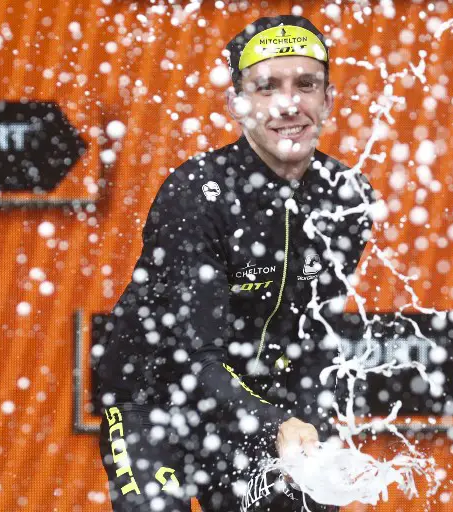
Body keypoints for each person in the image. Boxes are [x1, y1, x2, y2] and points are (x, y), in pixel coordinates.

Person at [94, 14, 374, 511]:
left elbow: (315, 339)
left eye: (305, 84)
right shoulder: (196, 195)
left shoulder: (347, 197)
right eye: (267, 87)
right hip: (153, 396)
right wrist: (274, 424)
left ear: (328, 99)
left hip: (257, 394)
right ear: (237, 106)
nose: (289, 104)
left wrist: (308, 425)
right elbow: (191, 353)